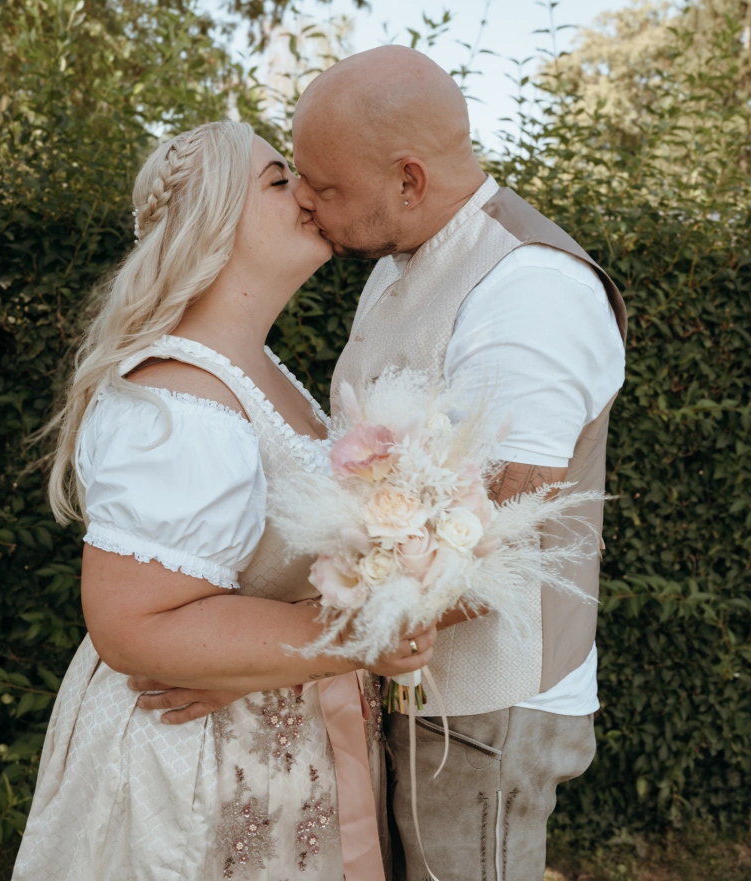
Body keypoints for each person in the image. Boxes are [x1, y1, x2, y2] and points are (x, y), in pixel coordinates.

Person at [12, 119, 436, 881]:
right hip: (192, 766)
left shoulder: (262, 371)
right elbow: (132, 626)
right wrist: (355, 638)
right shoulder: (176, 398)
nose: (307, 192)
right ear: (209, 221)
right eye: (278, 180)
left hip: (285, 744)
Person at [291, 46, 628, 881]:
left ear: (408, 180)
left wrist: (251, 653)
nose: (304, 200)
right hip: (416, 684)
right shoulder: (408, 259)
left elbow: (492, 545)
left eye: (324, 186)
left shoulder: (528, 290)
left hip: (488, 706)